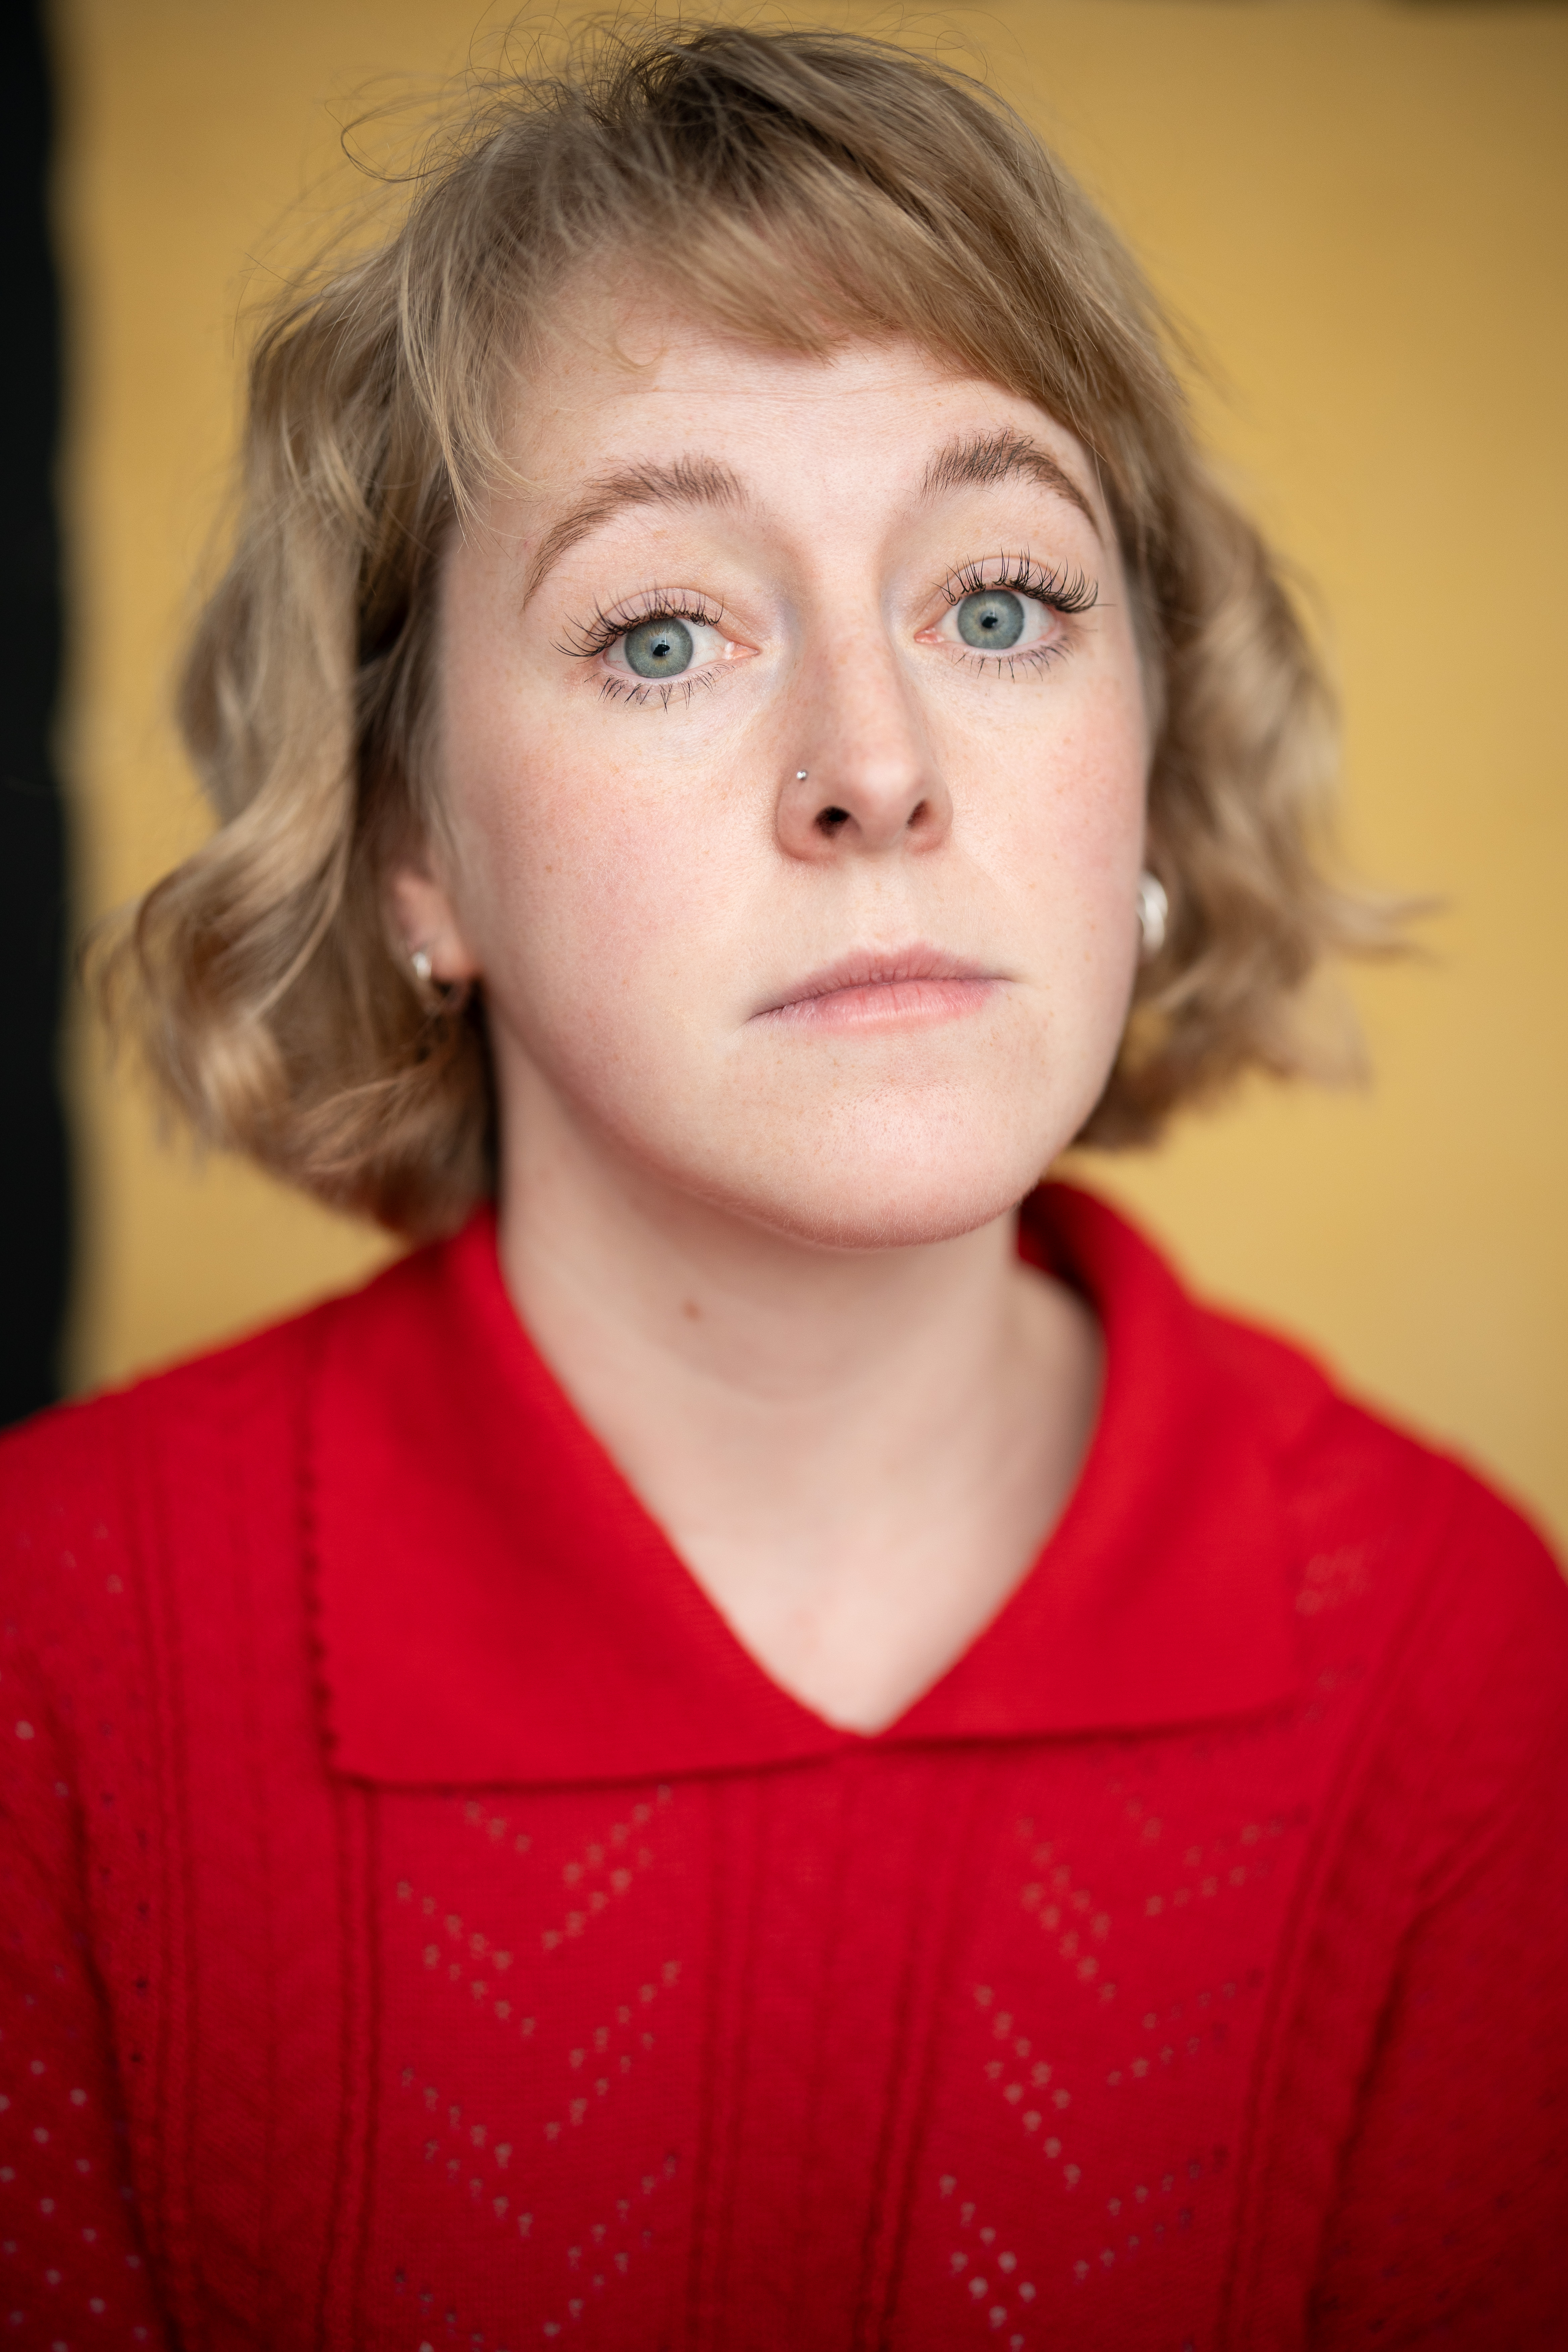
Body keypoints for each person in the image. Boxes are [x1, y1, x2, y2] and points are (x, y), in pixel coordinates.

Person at [2, 22, 1564, 2348]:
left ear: (1149, 750)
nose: (874, 770)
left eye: (1003, 601)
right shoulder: (50, 1658)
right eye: (664, 632)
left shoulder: (1459, 1665)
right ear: (410, 841)